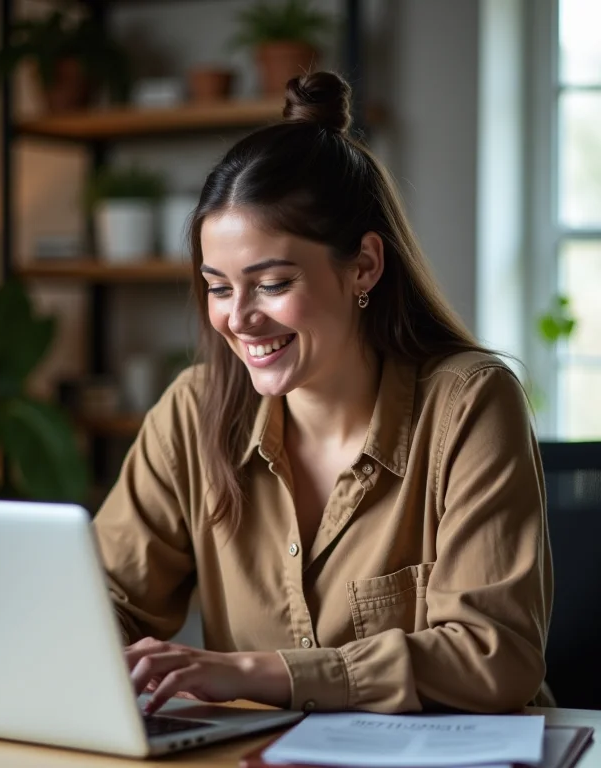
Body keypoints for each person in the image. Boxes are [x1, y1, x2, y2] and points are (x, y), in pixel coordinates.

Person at [93, 71, 552, 716]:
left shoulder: (470, 405)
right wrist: (85, 651)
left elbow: (492, 654)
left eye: (272, 283)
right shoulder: (194, 409)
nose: (239, 318)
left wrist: (258, 673)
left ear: (363, 264)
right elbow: (108, 599)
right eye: (219, 287)